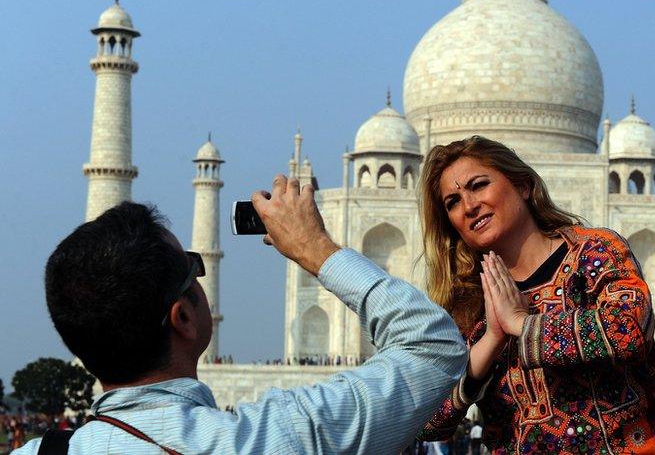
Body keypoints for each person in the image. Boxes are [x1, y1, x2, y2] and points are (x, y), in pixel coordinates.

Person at [15, 177, 468, 455]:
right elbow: (433, 345)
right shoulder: (277, 438)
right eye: (194, 268)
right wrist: (316, 250)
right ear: (183, 318)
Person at [415, 137, 655, 453]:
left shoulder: (593, 253)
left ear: (523, 185)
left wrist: (523, 326)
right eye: (453, 202)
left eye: (478, 185)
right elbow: (427, 421)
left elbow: (628, 329)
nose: (469, 206)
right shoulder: (469, 304)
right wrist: (491, 340)